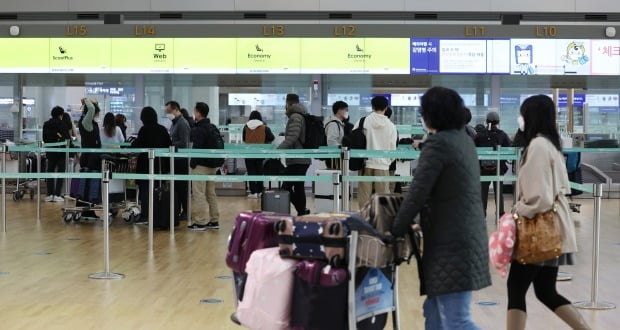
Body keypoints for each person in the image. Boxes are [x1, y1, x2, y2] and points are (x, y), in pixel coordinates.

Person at [391, 87, 491, 330]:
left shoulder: (438, 144)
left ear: (431, 115)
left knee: (458, 321)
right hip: (466, 236)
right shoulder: (464, 140)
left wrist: (395, 229)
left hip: (451, 242)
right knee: (433, 310)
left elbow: (417, 193)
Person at [506, 95, 588, 330]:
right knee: (545, 291)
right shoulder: (550, 144)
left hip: (539, 230)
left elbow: (539, 198)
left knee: (516, 288)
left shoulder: (538, 146)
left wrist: (516, 210)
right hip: (555, 229)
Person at [130, 107, 172, 225]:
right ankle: (158, 214)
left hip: (145, 165)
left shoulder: (144, 130)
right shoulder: (162, 129)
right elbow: (169, 145)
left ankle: (146, 216)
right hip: (159, 166)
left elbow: (138, 145)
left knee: (145, 191)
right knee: (158, 190)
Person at [355, 96, 397, 209]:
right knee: (383, 197)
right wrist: (387, 161)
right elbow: (393, 148)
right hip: (383, 166)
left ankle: (364, 219)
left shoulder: (362, 122)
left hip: (365, 163)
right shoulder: (391, 126)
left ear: (372, 107)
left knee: (364, 197)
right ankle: (381, 221)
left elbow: (354, 140)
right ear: (386, 108)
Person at [277, 93, 311, 216]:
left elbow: (292, 136)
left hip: (297, 158)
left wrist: (277, 150)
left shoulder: (295, 116)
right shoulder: (301, 115)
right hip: (301, 158)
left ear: (288, 103)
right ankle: (302, 211)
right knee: (298, 186)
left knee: (286, 186)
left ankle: (302, 210)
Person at [189, 102, 221, 231]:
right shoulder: (212, 127)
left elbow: (197, 148)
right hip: (213, 165)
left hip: (201, 165)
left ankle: (200, 221)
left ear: (198, 113)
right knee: (210, 193)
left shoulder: (198, 129)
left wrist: (193, 163)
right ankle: (214, 220)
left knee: (199, 193)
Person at [474, 111, 511, 217]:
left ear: (486, 121)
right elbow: (508, 149)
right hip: (498, 168)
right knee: (499, 192)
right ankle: (500, 213)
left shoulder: (480, 135)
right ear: (498, 122)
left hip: (483, 168)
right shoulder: (502, 134)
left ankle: (482, 213)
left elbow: (473, 148)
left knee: (483, 192)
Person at [165, 100, 191, 221]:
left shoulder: (182, 123)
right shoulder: (174, 123)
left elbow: (184, 142)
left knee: (182, 188)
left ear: (176, 110)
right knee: (176, 187)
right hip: (174, 159)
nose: (167, 113)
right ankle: (179, 210)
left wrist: (170, 144)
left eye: (169, 111)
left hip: (181, 160)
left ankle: (186, 211)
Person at [242, 110, 275, 198]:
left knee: (251, 173)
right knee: (260, 172)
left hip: (249, 153)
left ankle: (253, 192)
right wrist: (264, 142)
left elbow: (244, 139)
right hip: (260, 153)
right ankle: (260, 191)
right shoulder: (264, 127)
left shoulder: (246, 127)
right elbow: (272, 137)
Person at [42, 106, 71, 202]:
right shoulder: (62, 124)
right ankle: (57, 194)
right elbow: (67, 138)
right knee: (60, 172)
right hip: (61, 153)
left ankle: (50, 194)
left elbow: (44, 139)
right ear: (60, 115)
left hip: (50, 152)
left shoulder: (46, 124)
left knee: (50, 172)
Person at [324, 100, 348, 169]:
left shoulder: (339, 123)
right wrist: (342, 149)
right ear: (339, 111)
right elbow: (331, 141)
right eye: (346, 110)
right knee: (337, 177)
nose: (347, 112)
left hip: (337, 157)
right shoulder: (333, 124)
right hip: (335, 158)